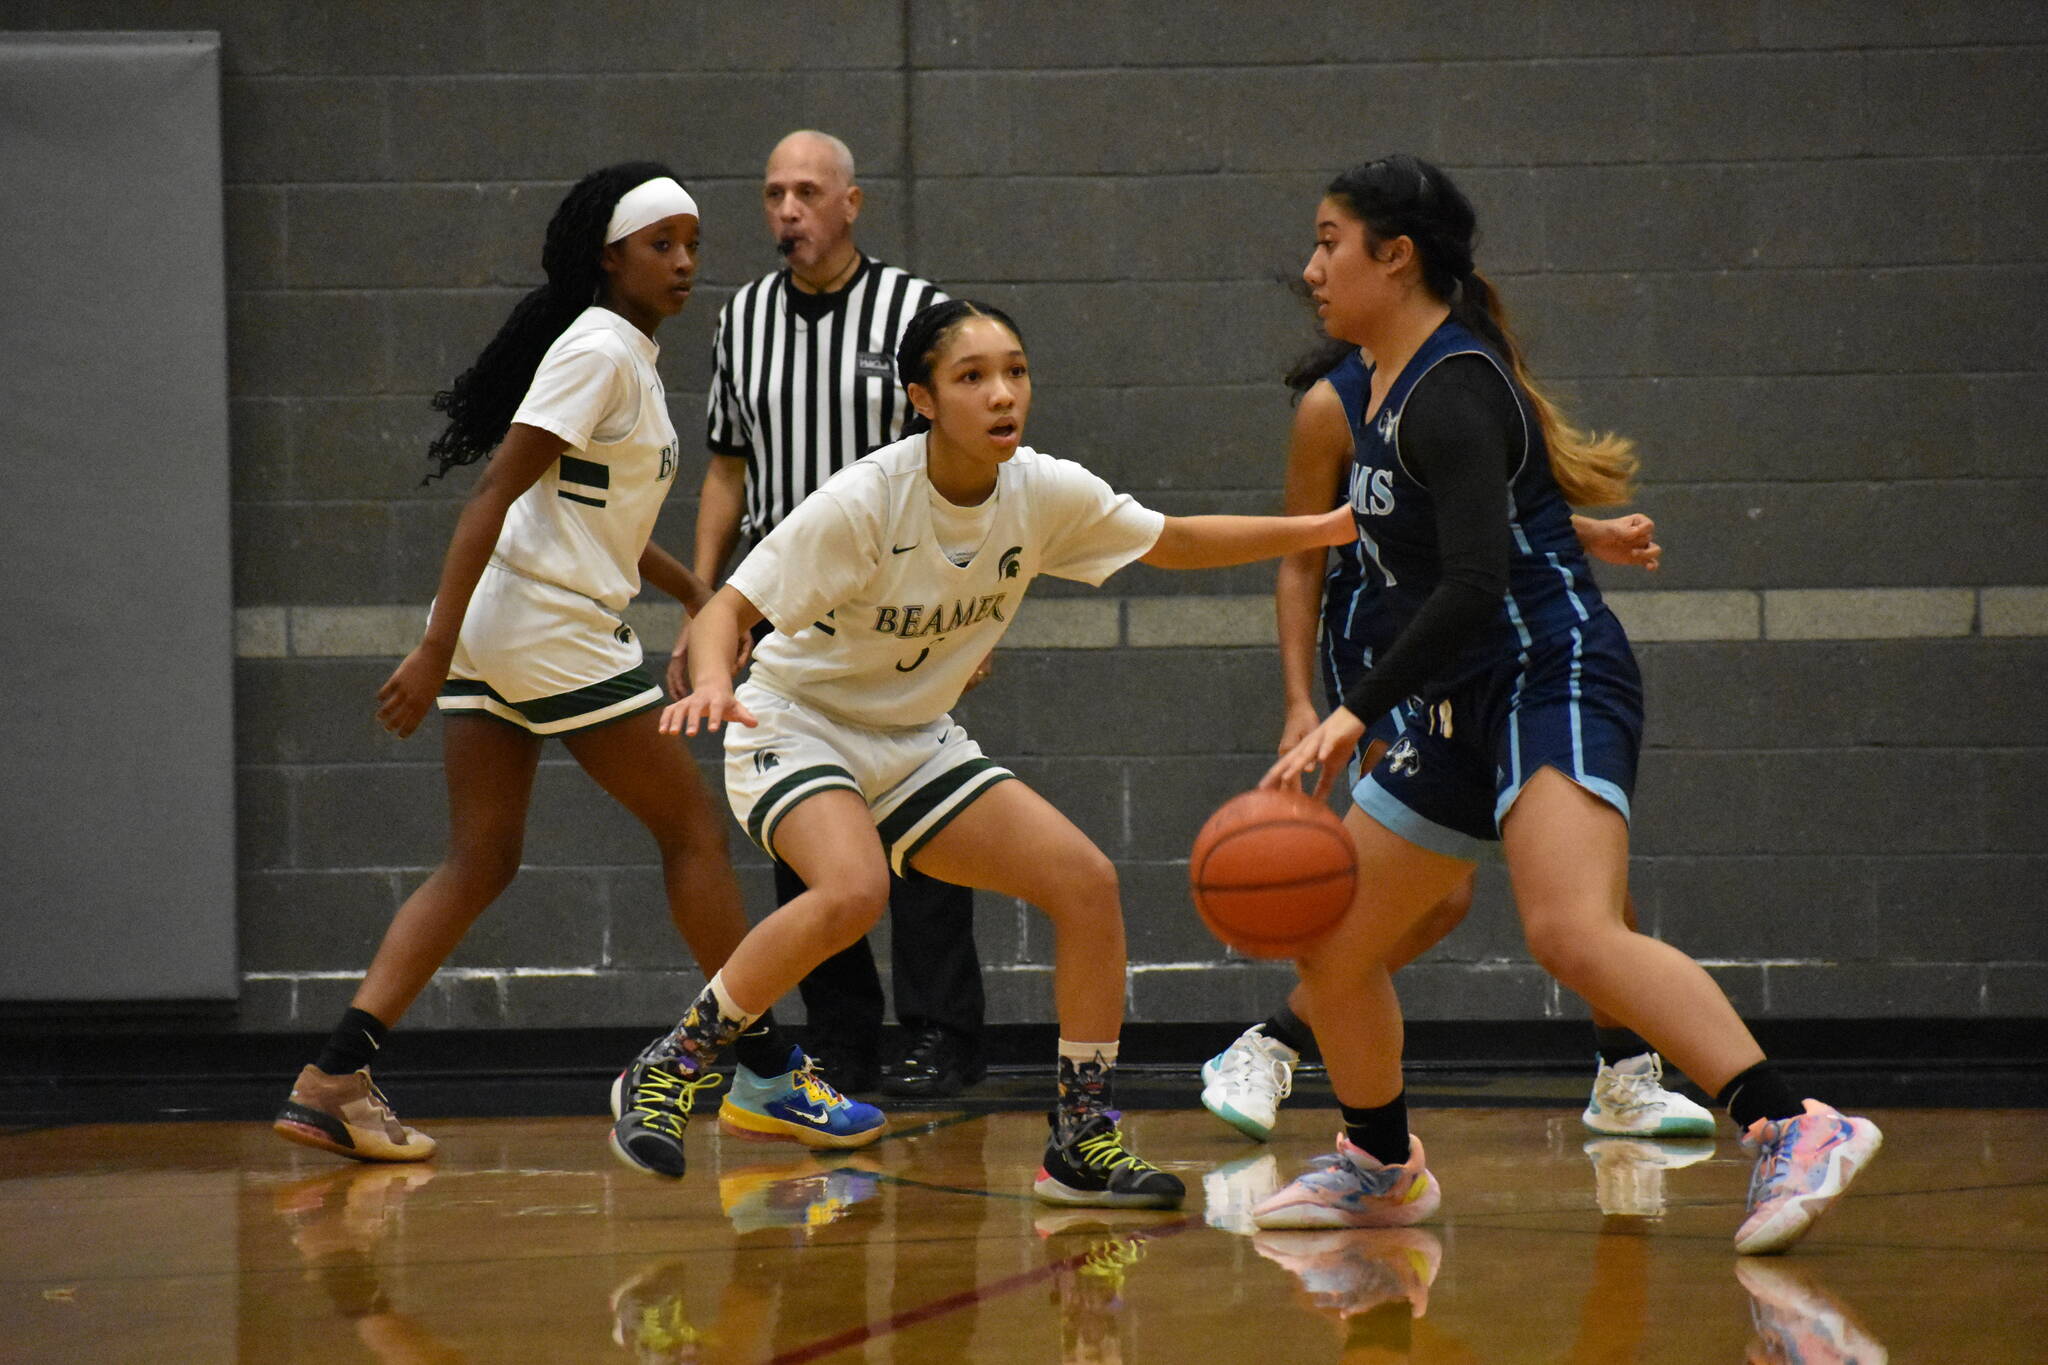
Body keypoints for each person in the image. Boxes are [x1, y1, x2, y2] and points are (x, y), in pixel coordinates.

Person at [1250, 155, 1880, 1255]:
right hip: (1456, 694)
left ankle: (1792, 1123)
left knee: (1569, 931)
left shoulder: (1448, 384)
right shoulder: (1384, 390)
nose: (1309, 268)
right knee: (1333, 943)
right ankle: (1379, 1162)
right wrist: (1572, 531)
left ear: (1392, 258)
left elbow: (1475, 584)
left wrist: (1351, 709)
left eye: (1326, 241)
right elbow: (1461, 533)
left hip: (1547, 669)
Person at [607, 298, 1356, 1206]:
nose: (1003, 394)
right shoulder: (866, 500)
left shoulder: (1042, 491)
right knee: (852, 889)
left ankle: (1081, 1136)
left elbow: (1175, 539)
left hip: (913, 739)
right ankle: (675, 1060)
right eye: (972, 377)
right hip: (798, 720)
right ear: (923, 397)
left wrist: (1319, 529)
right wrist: (719, 680)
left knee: (1086, 882)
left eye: (1016, 371)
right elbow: (729, 606)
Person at [273, 162, 878, 1164]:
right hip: (542, 625)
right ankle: (766, 1070)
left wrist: (691, 592)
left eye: (692, 243)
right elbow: (493, 496)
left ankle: (333, 1075)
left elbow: (593, 510)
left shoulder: (614, 354)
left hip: (501, 626)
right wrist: (427, 651)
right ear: (609, 257)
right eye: (660, 245)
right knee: (688, 827)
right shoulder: (599, 349)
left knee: (482, 858)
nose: (684, 262)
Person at [1201, 335, 1713, 1147]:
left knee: (1584, 864)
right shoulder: (1333, 404)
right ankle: (1276, 1046)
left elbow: (1475, 514)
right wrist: (1301, 699)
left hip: (1477, 641)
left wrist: (1581, 533)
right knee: (1437, 895)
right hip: (1384, 648)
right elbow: (1303, 559)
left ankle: (1625, 1072)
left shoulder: (1458, 369)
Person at [680, 129, 985, 1098]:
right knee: (799, 828)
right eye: (772, 193)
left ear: (851, 204)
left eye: (807, 192)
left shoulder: (915, 315)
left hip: (898, 611)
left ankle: (939, 1031)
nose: (786, 211)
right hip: (778, 612)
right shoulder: (743, 319)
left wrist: (969, 613)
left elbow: (965, 469)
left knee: (926, 817)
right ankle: (840, 1037)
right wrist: (700, 602)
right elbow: (726, 466)